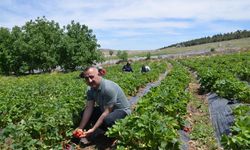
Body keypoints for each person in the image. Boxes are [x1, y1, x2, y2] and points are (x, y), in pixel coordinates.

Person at [73, 66, 131, 144]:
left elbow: (107, 112)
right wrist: (80, 128)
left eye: (91, 77)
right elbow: (89, 108)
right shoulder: (90, 89)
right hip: (104, 109)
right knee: (84, 113)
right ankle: (86, 135)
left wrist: (93, 129)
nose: (89, 80)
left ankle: (116, 133)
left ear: (99, 74)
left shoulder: (108, 88)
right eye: (86, 78)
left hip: (121, 111)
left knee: (108, 120)